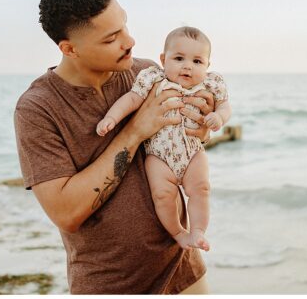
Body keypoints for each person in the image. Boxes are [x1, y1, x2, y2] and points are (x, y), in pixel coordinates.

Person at [14, 0, 214, 294]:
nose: (129, 41)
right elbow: (66, 213)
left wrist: (201, 128)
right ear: (69, 49)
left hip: (183, 271)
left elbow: (187, 146)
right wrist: (134, 131)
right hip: (109, 284)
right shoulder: (38, 109)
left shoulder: (146, 73)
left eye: (124, 25)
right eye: (111, 39)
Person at [97, 26, 231, 252]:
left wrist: (219, 116)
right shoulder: (153, 78)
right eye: (179, 58)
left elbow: (225, 106)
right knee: (162, 195)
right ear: (163, 59)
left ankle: (198, 231)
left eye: (197, 61)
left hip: (193, 151)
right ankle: (178, 233)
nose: (188, 66)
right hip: (159, 156)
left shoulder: (210, 84)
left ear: (207, 66)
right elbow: (131, 99)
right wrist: (111, 117)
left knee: (201, 189)